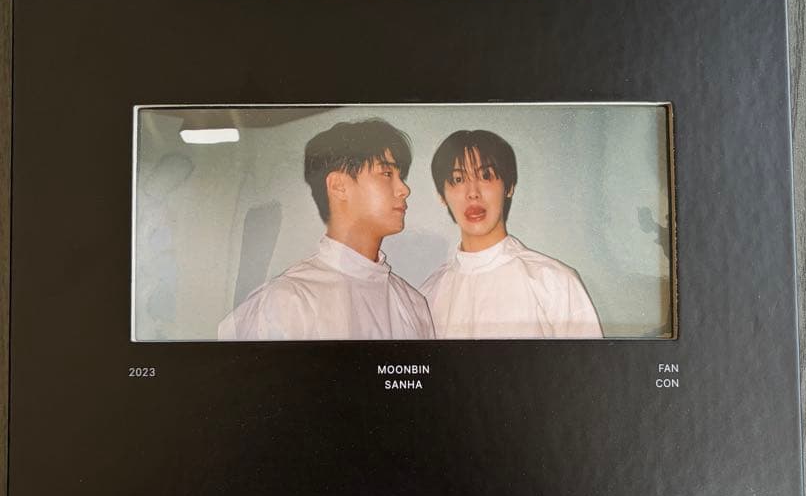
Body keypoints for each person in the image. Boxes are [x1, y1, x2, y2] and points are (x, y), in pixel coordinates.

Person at [218, 118, 434, 341]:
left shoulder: (413, 305)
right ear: (338, 186)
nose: (404, 189)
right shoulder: (285, 304)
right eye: (387, 174)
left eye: (400, 177)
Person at [420, 129, 603, 339]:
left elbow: (590, 360)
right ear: (442, 196)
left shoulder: (555, 283)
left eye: (485, 176)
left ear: (509, 187)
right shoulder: (428, 296)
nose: (473, 193)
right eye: (458, 179)